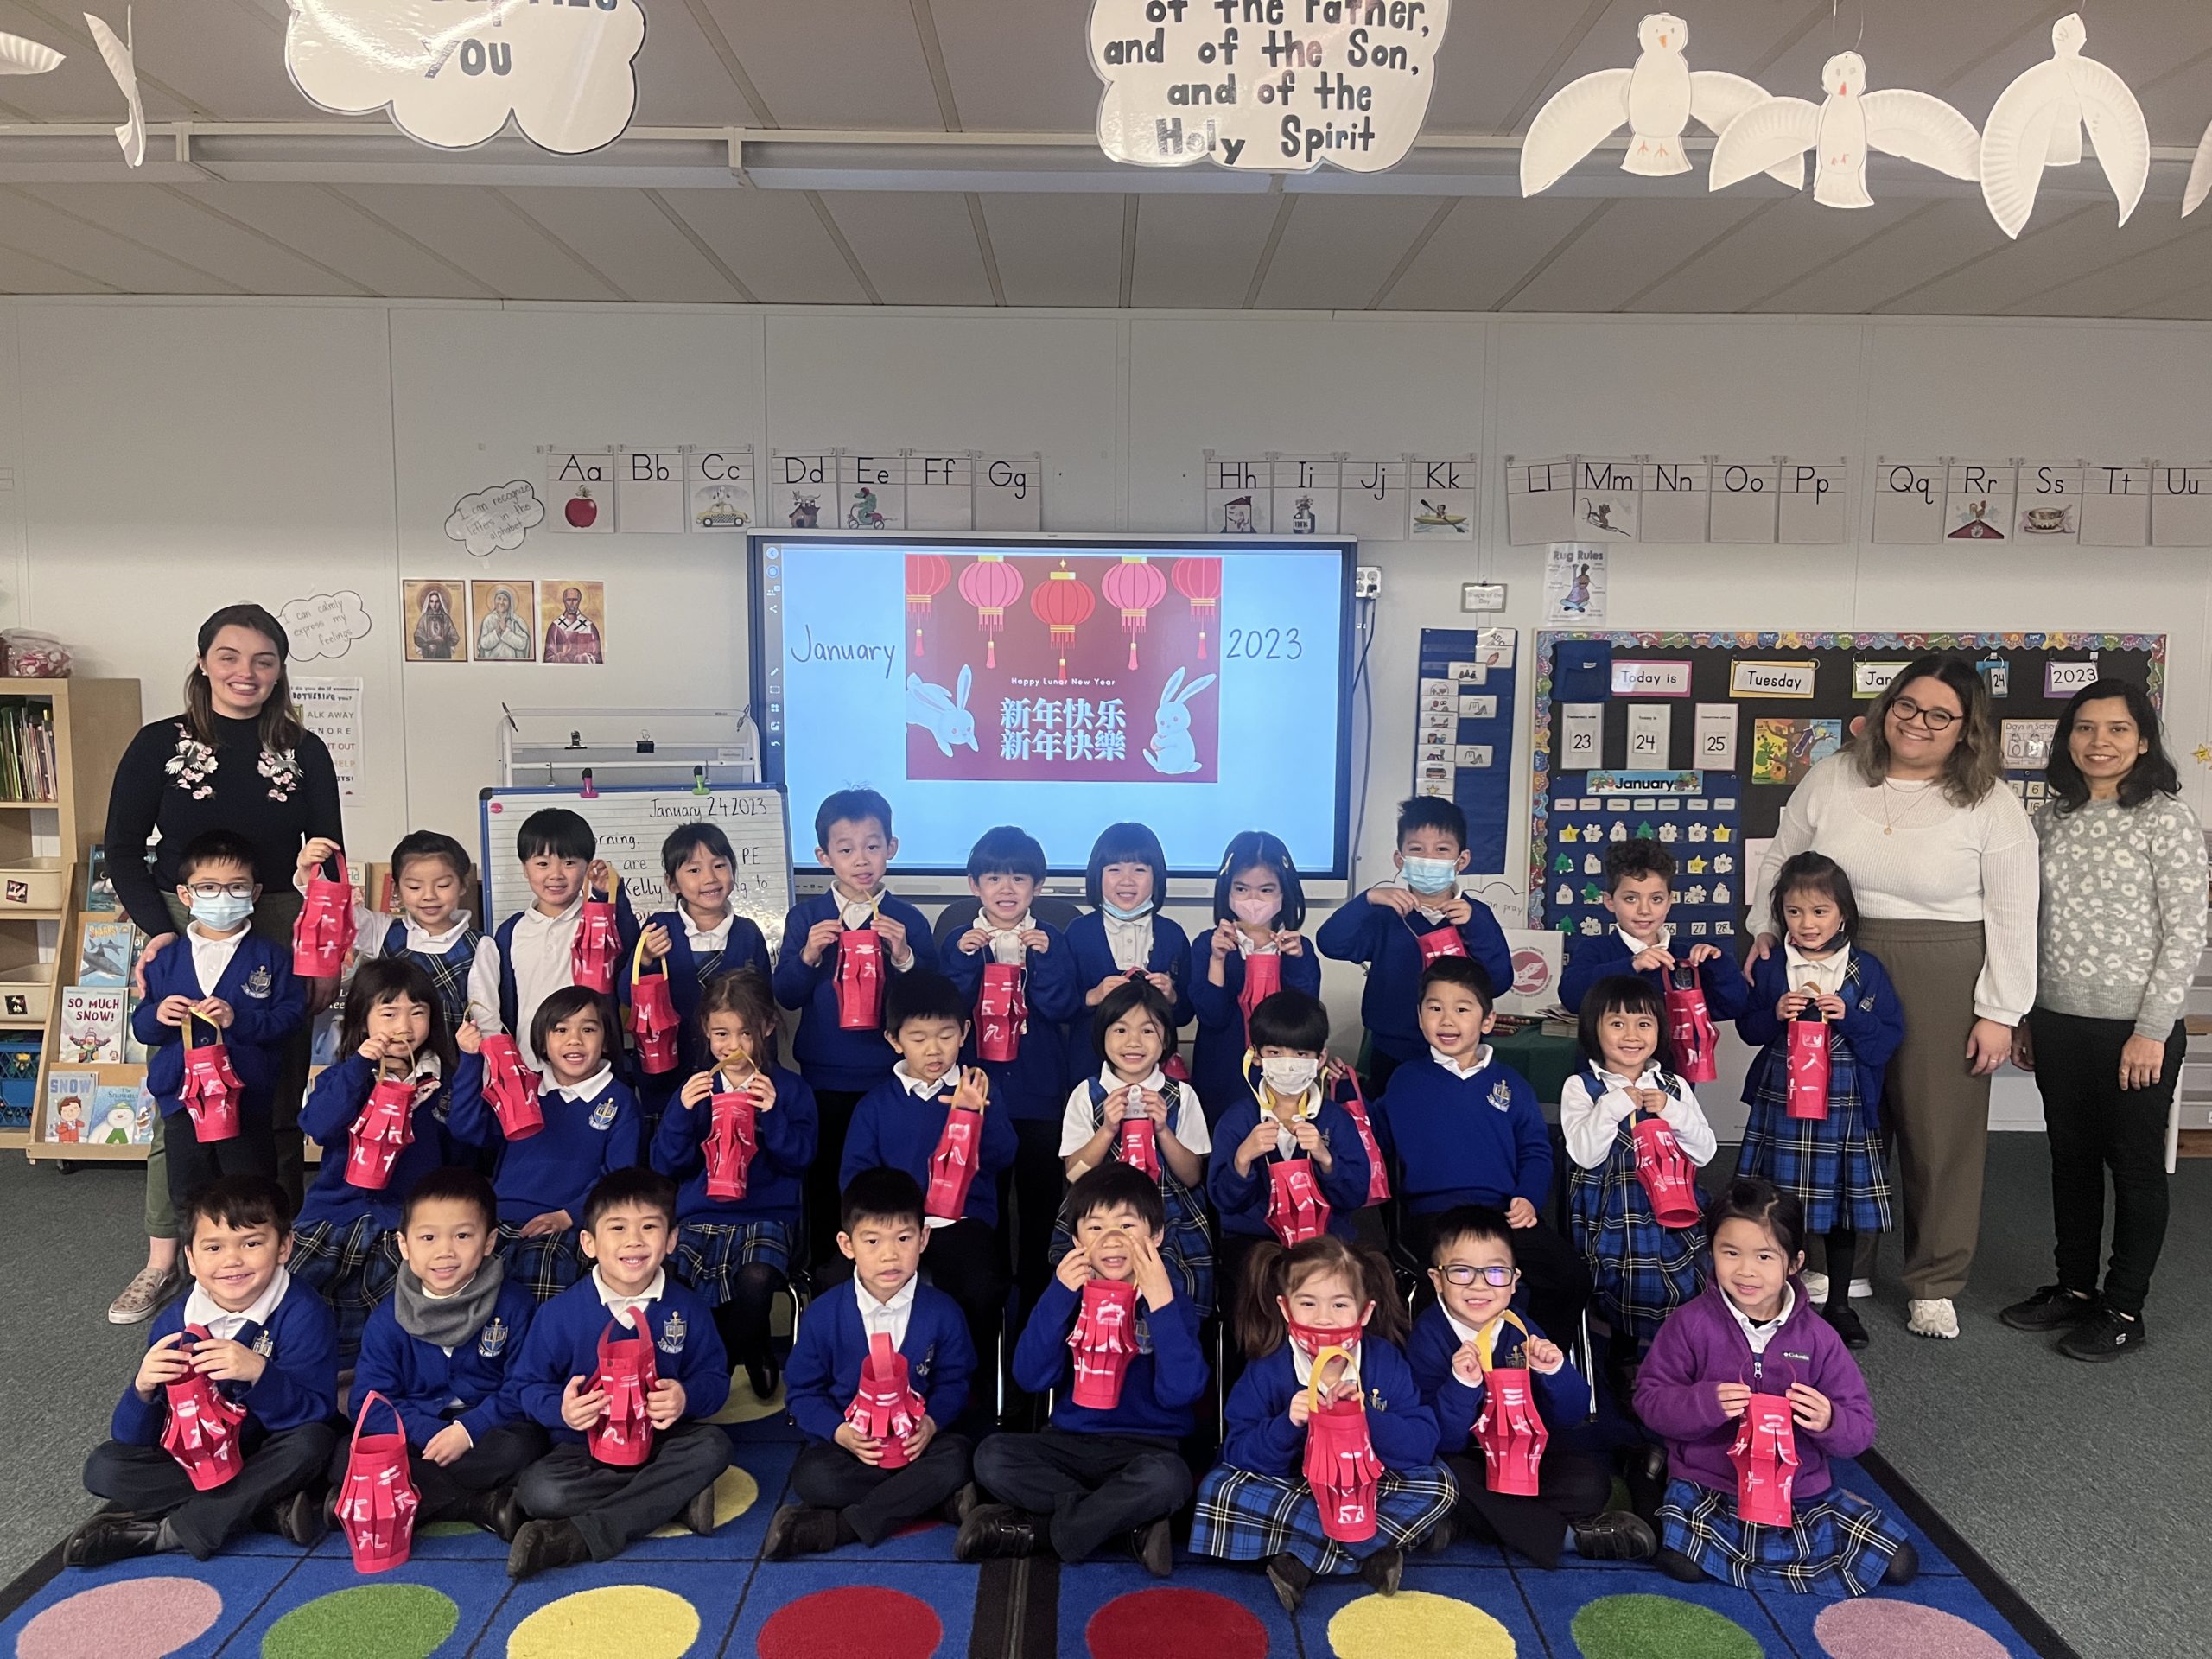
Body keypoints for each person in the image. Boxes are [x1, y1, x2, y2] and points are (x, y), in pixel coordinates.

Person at [1751, 655, 2037, 1340]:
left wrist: (2001, 1011)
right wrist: (1765, 926)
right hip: (1833, 956)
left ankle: (1934, 1281)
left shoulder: (1991, 802)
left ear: (1966, 728)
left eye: (1940, 714)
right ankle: (1836, 1266)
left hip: (1945, 968)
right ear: (1888, 707)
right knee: (1835, 1118)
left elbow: (2013, 912)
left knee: (1939, 1130)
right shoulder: (1834, 775)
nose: (1918, 723)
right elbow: (1782, 858)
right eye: (1908, 705)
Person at [103, 603, 342, 1322]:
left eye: (264, 660)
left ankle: (279, 1250)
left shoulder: (303, 749)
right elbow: (123, 851)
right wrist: (159, 932)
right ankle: (164, 1260)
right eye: (231, 657)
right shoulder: (159, 744)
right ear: (204, 662)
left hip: (276, 920)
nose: (247, 672)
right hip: (184, 920)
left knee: (273, 1090)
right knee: (182, 1095)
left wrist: (322, 953)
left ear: (280, 670)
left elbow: (327, 860)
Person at [2005, 678, 2206, 1360]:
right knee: (2071, 1160)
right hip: (2058, 1020)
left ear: (2142, 741)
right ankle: (2074, 1288)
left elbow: (2186, 931)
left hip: (2135, 1031)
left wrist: (2152, 1029)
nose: (2099, 742)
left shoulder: (2165, 818)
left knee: (2136, 1167)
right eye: (2085, 728)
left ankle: (2123, 1308)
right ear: (2068, 740)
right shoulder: (2049, 818)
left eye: (2117, 729)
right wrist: (2026, 1016)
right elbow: (2031, 924)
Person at [1635, 1179, 1916, 1596]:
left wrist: (1830, 1420)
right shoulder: (1690, 1324)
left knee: (1899, 1562)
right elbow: (1648, 1400)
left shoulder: (1820, 1338)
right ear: (1711, 1251)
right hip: (1710, 1486)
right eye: (1730, 1253)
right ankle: (1648, 1479)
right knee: (1681, 1561)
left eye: (1764, 1256)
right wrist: (1703, 1403)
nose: (1746, 1271)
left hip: (1799, 1494)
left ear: (1795, 1263)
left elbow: (1860, 1430)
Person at [67, 1176, 338, 1566]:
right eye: (213, 1247)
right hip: (203, 1462)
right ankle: (260, 1509)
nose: (232, 1260)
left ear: (284, 1247)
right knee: (104, 1468)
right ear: (191, 1259)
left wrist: (260, 1374)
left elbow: (316, 1412)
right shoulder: (175, 1321)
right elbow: (133, 1439)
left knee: (315, 1444)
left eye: (251, 1244)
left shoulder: (302, 1312)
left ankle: (172, 1532)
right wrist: (142, 1390)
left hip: (268, 1451)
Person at [1191, 1234, 1453, 1611]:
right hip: (1295, 1488)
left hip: (1367, 1489)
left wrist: (1366, 1418)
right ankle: (1371, 1551)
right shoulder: (1268, 1367)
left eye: (1340, 1304)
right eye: (1308, 1303)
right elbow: (1238, 1452)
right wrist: (1287, 1423)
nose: (1324, 1317)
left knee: (1441, 1485)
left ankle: (1300, 1557)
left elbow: (1421, 1445)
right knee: (1218, 1490)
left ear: (1364, 1312)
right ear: (1285, 1308)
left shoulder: (1384, 1360)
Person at [963, 1165, 1207, 1572]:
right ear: (1077, 1240)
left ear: (1156, 1236)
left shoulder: (1170, 1301)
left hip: (1146, 1448)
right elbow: (1031, 1377)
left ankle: (1042, 1532)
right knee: (992, 1456)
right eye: (1095, 1228)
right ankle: (1125, 1528)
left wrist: (1161, 1306)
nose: (1111, 1239)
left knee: (1170, 1479)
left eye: (1127, 1225)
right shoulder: (1068, 1296)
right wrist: (1059, 1295)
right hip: (1069, 1444)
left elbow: (1181, 1393)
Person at [505, 1167, 733, 1580]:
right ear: (589, 1243)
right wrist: (563, 1410)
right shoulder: (559, 1314)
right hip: (585, 1449)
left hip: (662, 1441)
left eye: (649, 1227)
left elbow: (715, 1380)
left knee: (713, 1446)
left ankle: (582, 1534)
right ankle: (671, 1499)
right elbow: (526, 1385)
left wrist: (685, 1398)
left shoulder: (688, 1308)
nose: (634, 1241)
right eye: (617, 1228)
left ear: (671, 1240)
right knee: (539, 1492)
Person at [1408, 1204, 1653, 1567]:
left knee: (1589, 1483)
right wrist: (1461, 1385)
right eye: (1461, 1271)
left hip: (1520, 1459)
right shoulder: (1429, 1337)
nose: (1479, 1285)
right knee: (1443, 1479)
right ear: (1437, 1279)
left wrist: (1555, 1372)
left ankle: (1468, 1522)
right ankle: (1569, 1539)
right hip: (1465, 1459)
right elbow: (1439, 1440)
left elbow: (1570, 1416)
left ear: (1514, 1280)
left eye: (1495, 1272)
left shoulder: (1521, 1328)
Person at [1372, 957, 1588, 1340]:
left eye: (1462, 1009)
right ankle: (1440, 1364)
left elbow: (1535, 1150)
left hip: (1501, 1214)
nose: (1447, 1020)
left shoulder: (1511, 1084)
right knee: (1441, 1287)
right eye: (1434, 1009)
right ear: (1420, 1017)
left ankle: (1532, 1353)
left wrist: (1528, 1197)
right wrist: (1341, 1093)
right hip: (1433, 1217)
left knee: (1569, 1274)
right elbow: (1375, 1138)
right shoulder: (1405, 1080)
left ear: (1488, 1021)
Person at [767, 1169, 978, 1560]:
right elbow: (803, 1392)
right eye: (872, 1240)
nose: (889, 1255)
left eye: (904, 1238)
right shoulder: (824, 1314)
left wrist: (931, 1423)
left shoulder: (943, 1312)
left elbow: (956, 1382)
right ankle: (933, 1501)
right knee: (812, 1476)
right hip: (854, 1450)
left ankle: (840, 1527)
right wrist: (840, 1433)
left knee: (961, 1457)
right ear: (847, 1245)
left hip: (918, 1446)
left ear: (924, 1238)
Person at [1737, 855, 1903, 1351]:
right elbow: (1748, 1030)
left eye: (1819, 912)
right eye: (1794, 912)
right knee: (1776, 1201)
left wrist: (1850, 1016)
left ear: (1843, 914)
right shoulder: (1772, 966)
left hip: (1843, 1099)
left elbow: (1888, 1038)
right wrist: (1774, 1012)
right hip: (1782, 1098)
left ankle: (1840, 1304)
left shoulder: (1865, 970)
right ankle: (1776, 1298)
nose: (1806, 924)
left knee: (1842, 1204)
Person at [336, 1166, 546, 1539]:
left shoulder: (514, 1305)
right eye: (428, 1237)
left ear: (489, 1241)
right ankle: (478, 1505)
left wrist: (468, 1431)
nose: (445, 1251)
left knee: (522, 1448)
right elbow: (368, 1400)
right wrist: (427, 1432)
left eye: (463, 1236)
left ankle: (401, 1497)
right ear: (404, 1245)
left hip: (488, 1430)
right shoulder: (389, 1316)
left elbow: (525, 1386)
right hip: (418, 1434)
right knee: (343, 1457)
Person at [839, 973, 1013, 1419]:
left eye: (946, 1036)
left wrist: (975, 1115)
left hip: (962, 1224)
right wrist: (893, 1220)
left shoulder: (979, 1090)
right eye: (918, 1038)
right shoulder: (876, 1105)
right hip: (896, 1228)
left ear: (965, 1032)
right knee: (843, 1284)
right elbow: (854, 1180)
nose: (934, 1050)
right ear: (895, 1041)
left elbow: (1003, 1157)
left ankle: (970, 1389)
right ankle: (871, 1390)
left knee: (981, 1288)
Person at [775, 789, 938, 1265]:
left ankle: (896, 1268)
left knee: (892, 1179)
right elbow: (785, 994)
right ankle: (828, 1274)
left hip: (893, 1078)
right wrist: (808, 955)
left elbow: (931, 1002)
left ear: (892, 847)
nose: (861, 860)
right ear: (823, 856)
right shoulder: (807, 917)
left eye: (872, 845)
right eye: (846, 849)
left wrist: (904, 956)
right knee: (828, 1177)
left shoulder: (907, 920)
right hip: (825, 1077)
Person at [291, 957, 482, 1354]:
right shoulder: (346, 1076)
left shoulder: (442, 1083)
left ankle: (380, 1367)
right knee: (293, 1289)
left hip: (407, 1219)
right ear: (363, 1020)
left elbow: (467, 1144)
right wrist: (360, 1066)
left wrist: (469, 1065)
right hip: (336, 1213)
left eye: (418, 1012)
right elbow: (318, 1126)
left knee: (409, 1305)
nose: (404, 1026)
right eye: (389, 1013)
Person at [652, 969, 817, 1398]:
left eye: (746, 1033)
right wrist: (680, 1112)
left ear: (768, 1027)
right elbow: (666, 1164)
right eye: (722, 1033)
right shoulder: (696, 1089)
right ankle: (737, 1348)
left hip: (766, 1216)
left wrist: (773, 1116)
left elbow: (800, 1160)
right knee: (671, 1277)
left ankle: (728, 1360)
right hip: (701, 1214)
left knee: (756, 1280)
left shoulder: (790, 1090)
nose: (734, 1046)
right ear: (706, 1031)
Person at [943, 825, 1083, 1319]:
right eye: (994, 878)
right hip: (981, 1093)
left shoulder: (1053, 939)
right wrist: (963, 961)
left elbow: (1063, 1007)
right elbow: (948, 1014)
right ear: (974, 885)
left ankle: (1037, 1305)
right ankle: (992, 1303)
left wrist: (1045, 961)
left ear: (1037, 887)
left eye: (1019, 879)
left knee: (1042, 1204)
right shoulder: (959, 939)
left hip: (1040, 1092)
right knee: (987, 1200)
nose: (1007, 889)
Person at [135, 831, 308, 1211]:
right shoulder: (166, 959)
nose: (223, 897)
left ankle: (254, 1249)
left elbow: (291, 1018)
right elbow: (142, 1027)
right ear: (186, 895)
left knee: (250, 1191)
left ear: (255, 893)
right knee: (189, 1194)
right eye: (208, 887)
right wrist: (159, 1015)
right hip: (183, 1100)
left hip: (246, 1098)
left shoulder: (272, 956)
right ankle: (196, 1250)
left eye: (236, 887)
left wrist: (238, 1019)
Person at [1560, 975, 1717, 1368]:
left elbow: (1704, 1152)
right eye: (1617, 1023)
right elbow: (1585, 1155)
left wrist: (1672, 1110)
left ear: (1659, 1029)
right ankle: (1622, 1357)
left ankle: (1675, 1357)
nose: (1631, 1035)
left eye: (1644, 1023)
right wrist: (1613, 1106)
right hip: (1610, 1210)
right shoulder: (1581, 1086)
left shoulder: (1674, 1086)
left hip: (1671, 1208)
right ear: (1594, 1029)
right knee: (1617, 1283)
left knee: (1680, 1277)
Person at [449, 987, 641, 1302]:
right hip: (497, 1216)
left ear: (607, 1041)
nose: (574, 1040)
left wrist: (569, 1216)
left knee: (539, 1279)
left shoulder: (619, 1100)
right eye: (561, 1030)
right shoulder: (523, 1087)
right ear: (542, 1041)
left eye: (588, 1029)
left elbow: (619, 1178)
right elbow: (467, 1128)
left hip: (565, 1225)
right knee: (456, 1277)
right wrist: (470, 1060)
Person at [1318, 796, 1514, 1090]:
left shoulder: (1477, 916)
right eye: (1417, 849)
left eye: (1442, 850)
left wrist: (1476, 926)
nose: (1429, 859)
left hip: (1458, 1050)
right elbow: (1330, 943)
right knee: (1389, 1116)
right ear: (1400, 860)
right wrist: (1367, 899)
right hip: (1391, 1050)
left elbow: (1499, 981)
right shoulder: (1385, 914)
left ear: (1461, 861)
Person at [1057, 978, 1215, 1316]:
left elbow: (1192, 1176)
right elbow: (1074, 1174)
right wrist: (1106, 1130)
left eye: (1147, 1030)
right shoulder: (1087, 1094)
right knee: (1081, 1288)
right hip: (1099, 1217)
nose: (1133, 1042)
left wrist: (1164, 1131)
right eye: (1120, 1030)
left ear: (1166, 1039)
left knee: (1174, 1288)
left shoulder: (1182, 1095)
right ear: (1102, 1036)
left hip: (1167, 1216)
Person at [1206, 989, 1373, 1307]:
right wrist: (1242, 1159)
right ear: (1256, 1055)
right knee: (1252, 1293)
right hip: (1256, 1240)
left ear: (1320, 1059)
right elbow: (1224, 1202)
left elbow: (1355, 1196)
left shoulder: (1334, 1118)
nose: (1288, 1064)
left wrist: (1326, 1159)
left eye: (1300, 1054)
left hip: (1324, 1241)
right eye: (1274, 1052)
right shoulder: (1238, 1119)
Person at [625, 822, 772, 1128]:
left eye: (719, 865)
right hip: (670, 1080)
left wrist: (766, 1071)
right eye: (694, 870)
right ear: (672, 883)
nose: (709, 878)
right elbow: (629, 999)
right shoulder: (658, 929)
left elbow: (764, 1009)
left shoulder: (748, 934)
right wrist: (647, 959)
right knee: (674, 1146)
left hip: (736, 1078)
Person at [295, 830, 499, 1035]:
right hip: (388, 1052)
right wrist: (308, 871)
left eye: (442, 885)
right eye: (415, 887)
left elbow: (486, 1020)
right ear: (397, 890)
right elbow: (334, 911)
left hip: (452, 1054)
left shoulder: (478, 947)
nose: (429, 895)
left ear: (463, 885)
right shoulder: (383, 932)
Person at [1188, 831, 1321, 1125]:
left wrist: (1296, 961)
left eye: (1266, 890)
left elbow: (1306, 1019)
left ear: (1284, 893)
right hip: (1222, 1076)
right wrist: (1217, 961)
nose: (1253, 899)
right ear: (1227, 891)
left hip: (1285, 1082)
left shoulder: (1298, 949)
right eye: (1241, 888)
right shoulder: (1207, 945)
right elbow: (1211, 1016)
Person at [492, 809, 638, 1072]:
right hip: (530, 1064)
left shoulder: (600, 918)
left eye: (569, 863)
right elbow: (506, 1005)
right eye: (542, 864)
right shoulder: (510, 932)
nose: (556, 874)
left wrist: (610, 896)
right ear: (525, 868)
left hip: (593, 1066)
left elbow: (629, 956)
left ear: (588, 867)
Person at [1559, 840, 1752, 1025]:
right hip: (1610, 1051)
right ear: (1610, 902)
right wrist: (1633, 964)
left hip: (1674, 1051)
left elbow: (1733, 1006)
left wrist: (1718, 964)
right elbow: (1571, 997)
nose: (1644, 910)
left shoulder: (1686, 958)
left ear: (1669, 902)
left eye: (1656, 899)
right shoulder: (1595, 950)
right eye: (1631, 899)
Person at [1062, 821, 1192, 1079]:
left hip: (1155, 1072)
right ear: (1097, 876)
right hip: (1089, 1068)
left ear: (1156, 877)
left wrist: (1171, 996)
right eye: (1114, 870)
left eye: (1139, 870)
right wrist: (1093, 995)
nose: (1127, 880)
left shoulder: (1172, 935)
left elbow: (1186, 1013)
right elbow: (1059, 1005)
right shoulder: (1078, 933)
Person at [542, 587, 604, 664]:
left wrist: (583, 658)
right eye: (568, 600)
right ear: (564, 601)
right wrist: (562, 655)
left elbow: (598, 659)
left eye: (575, 600)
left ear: (579, 601)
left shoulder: (589, 626)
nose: (572, 604)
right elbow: (548, 659)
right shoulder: (555, 627)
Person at [476, 585, 532, 661]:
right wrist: (497, 632)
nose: (501, 602)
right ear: (494, 601)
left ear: (510, 603)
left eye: (505, 599)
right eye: (499, 598)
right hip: (492, 663)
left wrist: (505, 630)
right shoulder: (488, 620)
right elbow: (483, 644)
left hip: (513, 663)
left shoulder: (516, 621)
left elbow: (522, 644)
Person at [412, 586, 461, 661]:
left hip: (444, 654)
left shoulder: (446, 619)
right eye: (432, 601)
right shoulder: (424, 619)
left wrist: (443, 641)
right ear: (428, 602)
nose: (434, 604)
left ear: (440, 602)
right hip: (428, 654)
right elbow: (417, 637)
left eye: (437, 601)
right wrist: (427, 645)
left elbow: (455, 638)